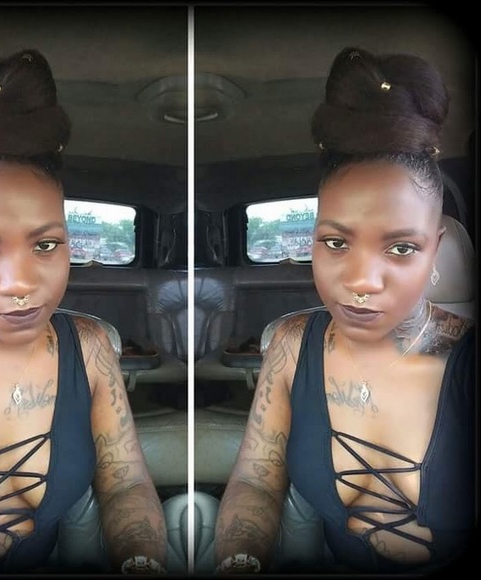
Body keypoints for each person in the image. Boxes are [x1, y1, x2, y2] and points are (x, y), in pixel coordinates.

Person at [0, 48, 170, 575]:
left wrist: (140, 557)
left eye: (46, 245)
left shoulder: (89, 347)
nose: (20, 284)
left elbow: (126, 482)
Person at [213, 46, 475, 575]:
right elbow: (255, 479)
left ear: (436, 248)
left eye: (400, 248)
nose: (360, 282)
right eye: (335, 243)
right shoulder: (292, 345)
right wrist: (240, 557)